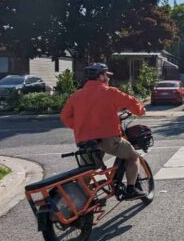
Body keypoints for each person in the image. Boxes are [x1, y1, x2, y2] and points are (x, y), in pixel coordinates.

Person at [60, 63, 147, 198]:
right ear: (100, 76)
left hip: (85, 140)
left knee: (87, 171)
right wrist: (141, 111)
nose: (108, 78)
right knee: (133, 157)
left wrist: (81, 126)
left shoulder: (76, 96)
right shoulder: (110, 92)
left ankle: (80, 200)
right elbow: (131, 102)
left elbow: (65, 117)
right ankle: (131, 189)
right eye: (106, 75)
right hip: (108, 138)